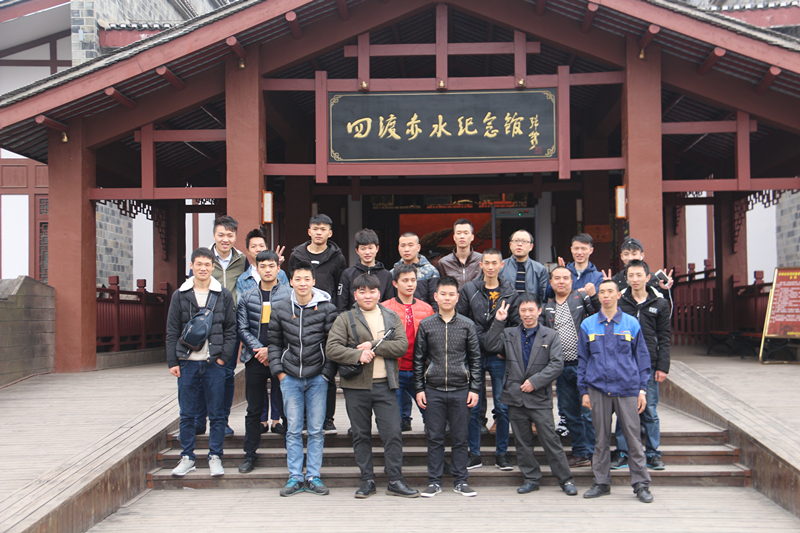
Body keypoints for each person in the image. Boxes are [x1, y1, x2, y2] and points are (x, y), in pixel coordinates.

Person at [326, 274, 419, 499]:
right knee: (360, 434)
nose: (367, 296)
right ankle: (367, 480)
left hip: (386, 385)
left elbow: (402, 345)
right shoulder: (345, 318)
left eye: (372, 291)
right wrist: (358, 355)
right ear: (355, 294)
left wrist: (374, 347)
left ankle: (395, 480)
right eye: (362, 292)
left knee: (393, 433)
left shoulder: (390, 316)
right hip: (356, 387)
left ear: (379, 293)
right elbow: (332, 348)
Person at [486, 296, 578, 496]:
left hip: (539, 396)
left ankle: (566, 479)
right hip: (515, 396)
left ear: (539, 311)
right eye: (523, 310)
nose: (527, 314)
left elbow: (557, 364)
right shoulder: (509, 333)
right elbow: (490, 346)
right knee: (522, 442)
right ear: (519, 312)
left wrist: (535, 382)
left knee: (550, 440)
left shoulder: (551, 335)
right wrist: (498, 321)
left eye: (531, 310)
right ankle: (531, 478)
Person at [578, 279, 654, 503]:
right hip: (597, 388)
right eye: (602, 292)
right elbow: (583, 360)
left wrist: (642, 389)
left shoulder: (631, 323)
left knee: (633, 438)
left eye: (610, 291)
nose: (606, 295)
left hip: (627, 388)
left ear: (619, 295)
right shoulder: (588, 324)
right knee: (600, 439)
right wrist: (584, 391)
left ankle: (641, 484)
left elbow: (642, 358)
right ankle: (601, 482)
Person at [267, 261, 338, 496]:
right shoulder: (280, 308)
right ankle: (295, 477)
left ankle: (313, 476)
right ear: (291, 282)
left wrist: (326, 374)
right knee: (293, 430)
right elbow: (274, 343)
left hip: (318, 377)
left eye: (307, 279)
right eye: (298, 279)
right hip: (290, 377)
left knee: (316, 430)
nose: (303, 283)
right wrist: (280, 373)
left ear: (313, 281)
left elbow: (333, 344)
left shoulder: (327, 308)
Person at [166, 248, 237, 478]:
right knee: (187, 414)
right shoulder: (180, 295)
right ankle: (187, 457)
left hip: (213, 363)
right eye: (199, 264)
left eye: (207, 264)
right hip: (187, 362)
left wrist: (223, 358)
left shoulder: (223, 295)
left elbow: (231, 329)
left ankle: (215, 456)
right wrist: (173, 361)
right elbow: (172, 330)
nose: (203, 268)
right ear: (192, 266)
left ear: (213, 267)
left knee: (216, 413)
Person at [414, 276, 481, 498]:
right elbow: (418, 359)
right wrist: (419, 388)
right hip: (433, 390)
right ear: (435, 296)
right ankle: (434, 481)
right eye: (443, 294)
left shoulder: (467, 324)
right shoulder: (426, 324)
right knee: (435, 438)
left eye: (451, 294)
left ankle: (461, 481)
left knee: (461, 438)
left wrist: (475, 389)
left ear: (457, 297)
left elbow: (475, 359)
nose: (447, 298)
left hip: (461, 389)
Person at [456, 248, 520, 471]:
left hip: (499, 356)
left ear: (502, 265)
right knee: (473, 406)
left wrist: (501, 348)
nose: (490, 267)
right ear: (480, 265)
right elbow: (462, 320)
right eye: (487, 263)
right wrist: (482, 342)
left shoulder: (510, 292)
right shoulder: (469, 289)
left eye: (495, 263)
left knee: (502, 407)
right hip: (474, 354)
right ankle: (474, 453)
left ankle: (502, 453)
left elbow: (515, 325)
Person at [287, 214, 347, 434]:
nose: (319, 232)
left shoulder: (337, 257)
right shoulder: (297, 255)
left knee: (327, 367)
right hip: (300, 316)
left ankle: (327, 418)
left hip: (327, 317)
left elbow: (340, 288)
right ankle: (303, 418)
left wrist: (337, 316)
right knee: (301, 368)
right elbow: (292, 283)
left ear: (330, 233)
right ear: (309, 231)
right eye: (315, 228)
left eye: (323, 229)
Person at [611, 260, 671, 471]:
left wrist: (663, 366)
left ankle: (653, 453)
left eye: (639, 275)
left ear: (647, 277)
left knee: (650, 410)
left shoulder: (660, 303)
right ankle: (622, 452)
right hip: (623, 365)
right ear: (626, 278)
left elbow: (664, 336)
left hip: (650, 365)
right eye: (631, 275)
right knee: (623, 410)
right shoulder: (620, 301)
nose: (635, 279)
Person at [236, 250, 291, 474]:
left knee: (287, 407)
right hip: (254, 358)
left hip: (282, 358)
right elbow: (242, 328)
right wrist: (260, 350)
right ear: (256, 269)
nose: (267, 270)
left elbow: (292, 327)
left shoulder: (289, 294)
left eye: (271, 266)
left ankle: (292, 454)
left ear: (278, 268)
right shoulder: (247, 295)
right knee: (254, 409)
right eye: (263, 266)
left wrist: (272, 350)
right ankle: (250, 454)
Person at [541, 266, 598, 468]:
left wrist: (594, 296)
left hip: (584, 366)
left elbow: (599, 313)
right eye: (557, 278)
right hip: (561, 367)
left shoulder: (581, 299)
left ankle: (594, 453)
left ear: (572, 282)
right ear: (551, 282)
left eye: (566, 278)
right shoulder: (547, 306)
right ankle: (580, 452)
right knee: (569, 411)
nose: (561, 281)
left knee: (588, 412)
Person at [199, 215, 247, 438]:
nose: (225, 239)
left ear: (235, 236)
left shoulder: (242, 260)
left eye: (230, 235)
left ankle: (222, 421)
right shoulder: (204, 258)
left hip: (232, 324)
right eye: (221, 235)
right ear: (214, 236)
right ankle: (199, 420)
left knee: (227, 373)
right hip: (206, 322)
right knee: (202, 371)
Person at [382, 264, 434, 432]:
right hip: (395, 369)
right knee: (394, 420)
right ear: (395, 283)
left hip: (419, 369)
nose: (410, 284)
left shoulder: (426, 309)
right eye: (405, 280)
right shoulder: (385, 308)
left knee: (432, 416)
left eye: (413, 280)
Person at [337, 228, 394, 311]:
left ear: (377, 248)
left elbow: (390, 304)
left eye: (370, 248)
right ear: (357, 251)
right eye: (363, 248)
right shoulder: (348, 274)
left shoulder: (386, 275)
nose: (367, 252)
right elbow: (342, 305)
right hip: (354, 317)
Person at [235, 228, 289, 301]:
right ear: (248, 251)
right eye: (253, 246)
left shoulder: (280, 274)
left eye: (261, 246)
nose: (258, 249)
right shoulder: (242, 279)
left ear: (266, 248)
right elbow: (240, 304)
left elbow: (288, 298)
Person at [391, 232, 440, 305]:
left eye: (410, 245)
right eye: (403, 246)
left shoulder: (431, 271)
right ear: (398, 248)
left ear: (418, 247)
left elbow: (435, 302)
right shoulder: (393, 272)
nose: (406, 249)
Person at [499, 229, 549, 300]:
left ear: (531, 247)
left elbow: (543, 298)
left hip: (531, 307)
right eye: (516, 241)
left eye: (524, 241)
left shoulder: (540, 269)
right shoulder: (500, 266)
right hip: (506, 307)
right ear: (510, 245)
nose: (519, 244)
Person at [436, 219, 482, 289]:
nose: (462, 236)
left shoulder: (482, 260)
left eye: (466, 233)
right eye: (458, 233)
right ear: (454, 237)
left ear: (472, 237)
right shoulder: (443, 263)